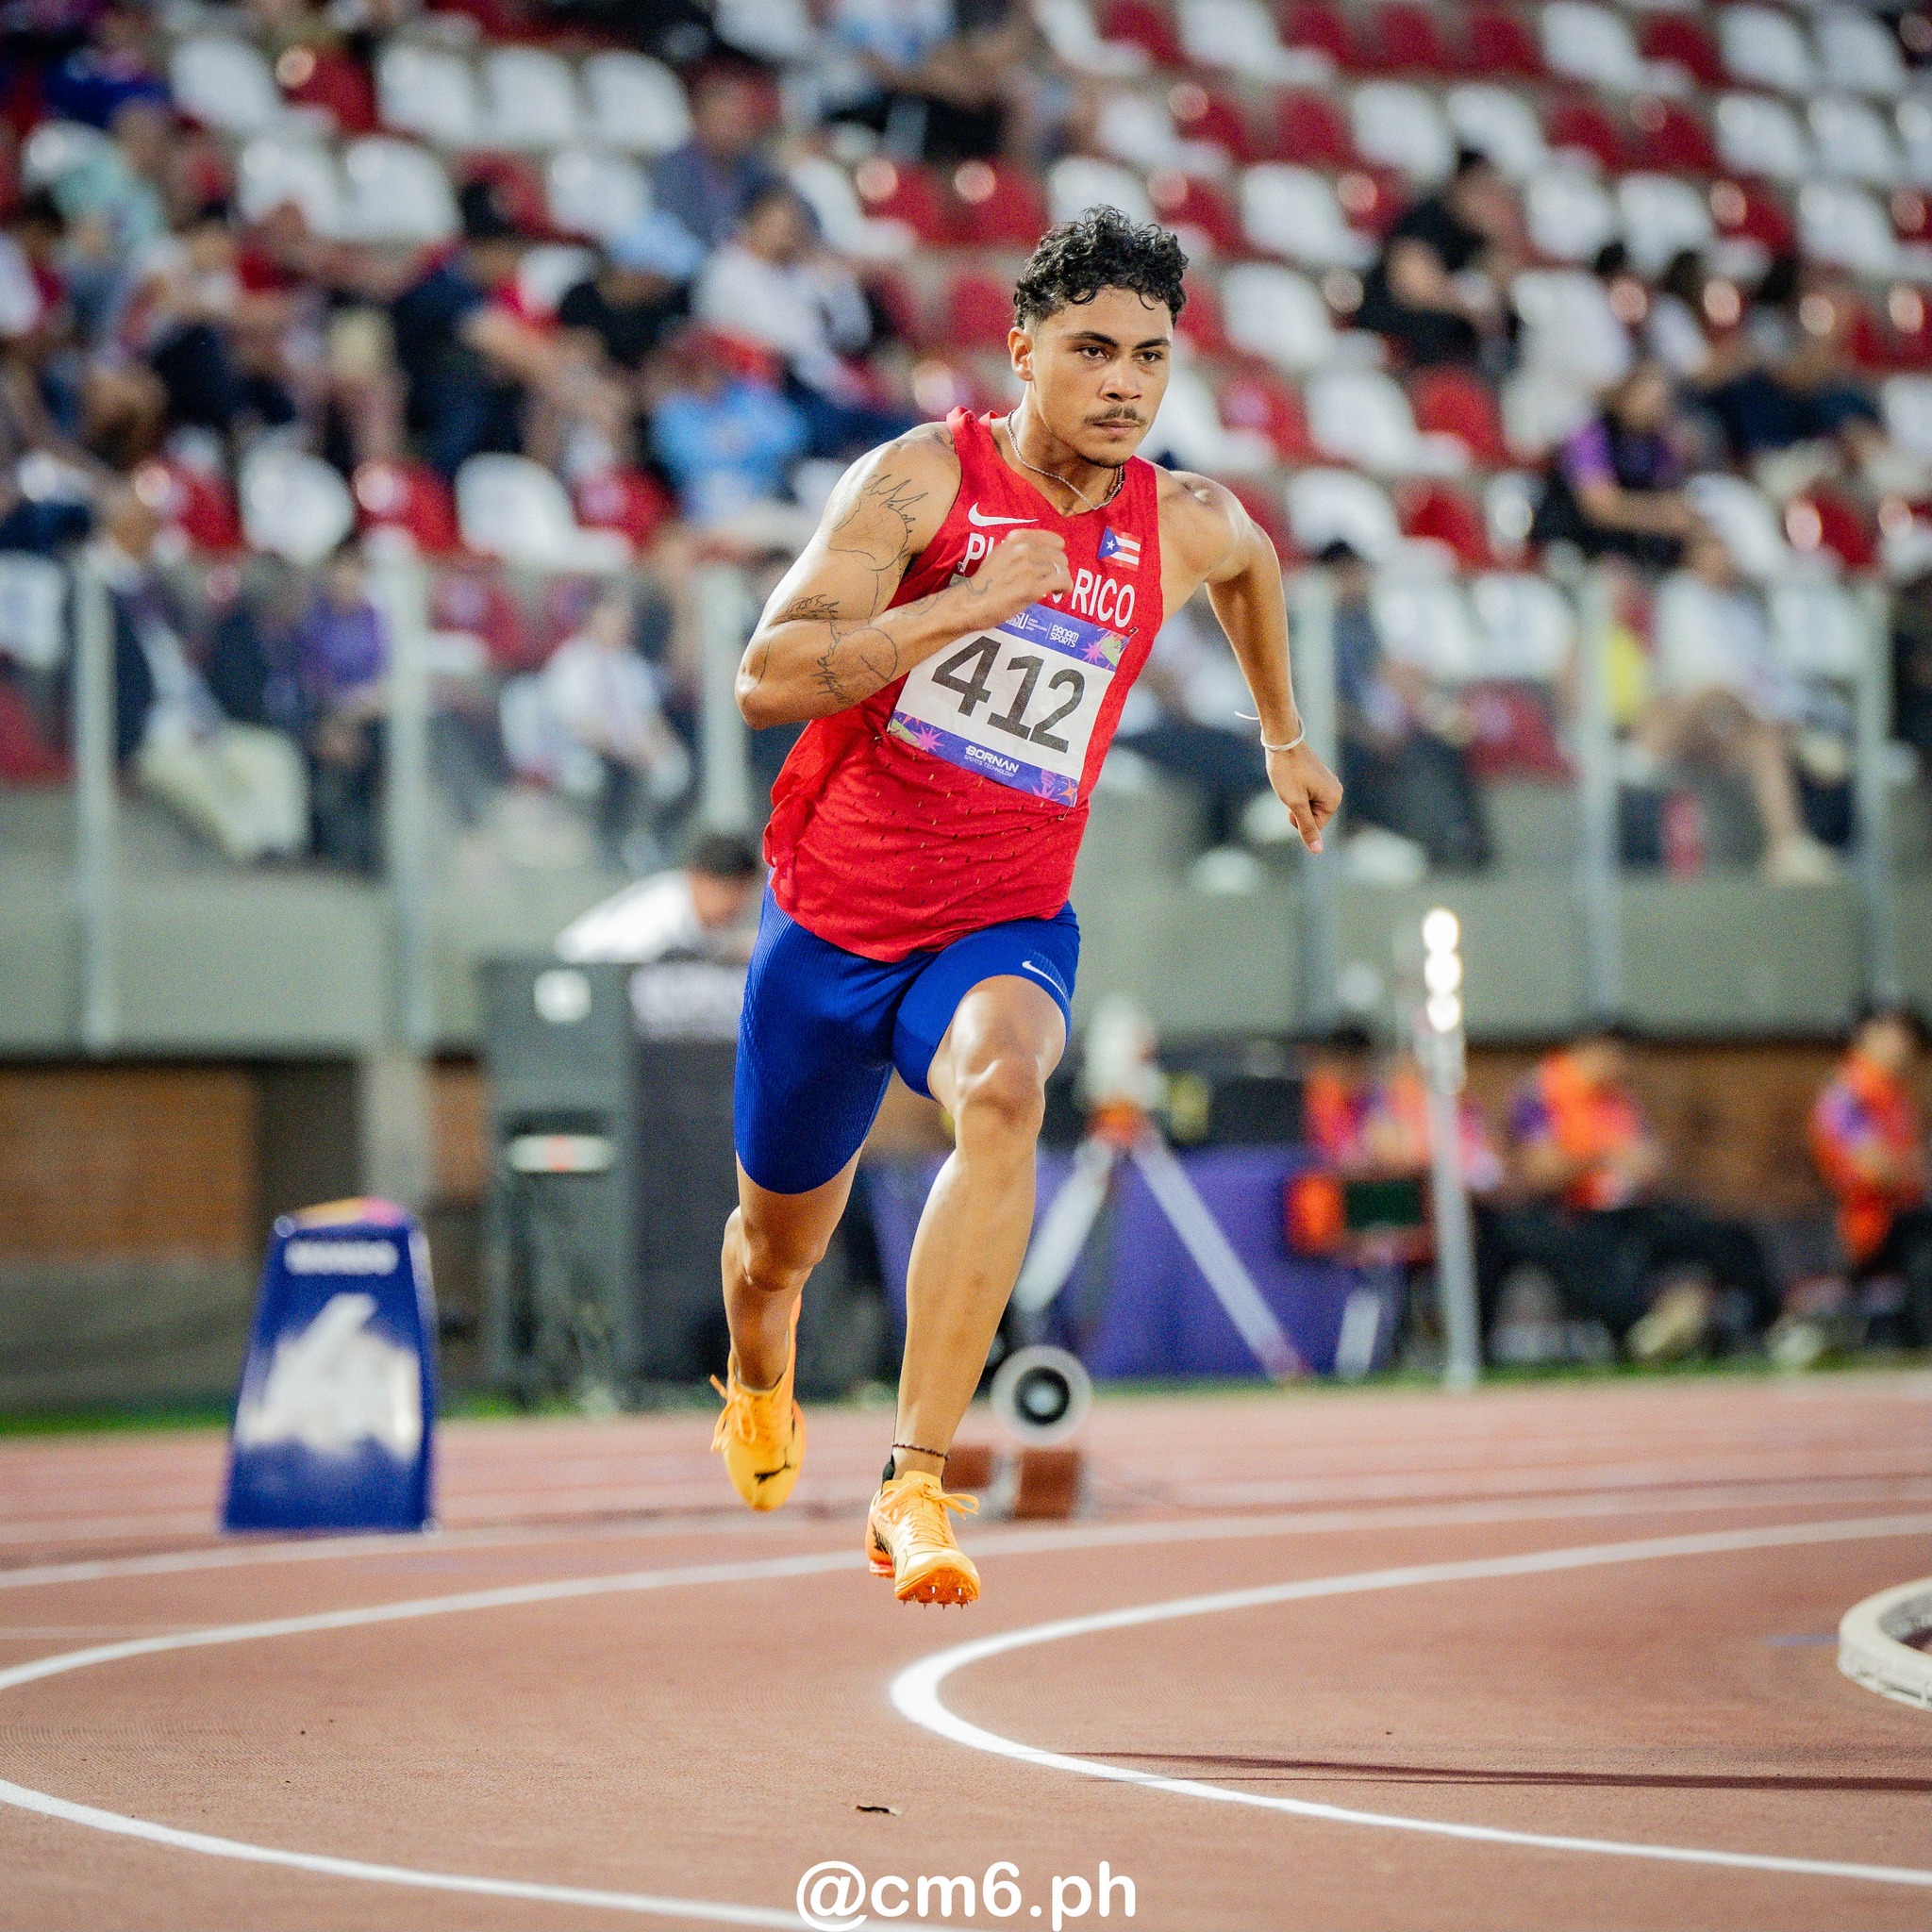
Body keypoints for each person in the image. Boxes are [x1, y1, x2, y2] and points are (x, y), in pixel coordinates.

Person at [708, 207, 1341, 1605]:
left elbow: (1252, 566)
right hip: (831, 930)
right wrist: (964, 606)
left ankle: (913, 1485)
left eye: (1152, 358)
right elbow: (767, 678)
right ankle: (760, 1381)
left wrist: (1280, 733)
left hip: (1001, 919)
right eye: (1093, 350)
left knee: (1004, 1094)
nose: (1125, 382)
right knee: (772, 1256)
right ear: (1023, 352)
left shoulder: (1179, 519)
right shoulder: (920, 484)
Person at [1507, 1026, 1778, 1360]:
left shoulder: (1618, 1098)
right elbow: (1542, 1171)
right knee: (1590, 1258)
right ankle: (1641, 1335)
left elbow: (1649, 1158)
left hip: (1631, 1206)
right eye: (1618, 1059)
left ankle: (1769, 1327)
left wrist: (1647, 1166)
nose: (1623, 1069)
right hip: (1573, 1211)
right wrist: (1605, 1155)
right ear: (1590, 1050)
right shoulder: (1540, 1093)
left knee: (1724, 1233)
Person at [1646, 531, 1841, 884]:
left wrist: (1788, 721)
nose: (1723, 563)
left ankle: (1786, 847)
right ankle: (1800, 746)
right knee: (1718, 691)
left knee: (1765, 742)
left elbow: (1768, 675)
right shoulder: (1678, 594)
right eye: (1713, 553)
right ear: (1695, 559)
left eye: (1726, 553)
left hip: (1728, 725)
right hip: (1678, 722)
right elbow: (1699, 676)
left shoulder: (1743, 608)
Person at [693, 184, 914, 461]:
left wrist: (838, 283)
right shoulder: (728, 270)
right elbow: (780, 340)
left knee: (905, 430)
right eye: (778, 224)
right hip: (763, 390)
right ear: (753, 222)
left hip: (822, 384)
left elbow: (852, 332)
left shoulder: (798, 274)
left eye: (792, 226)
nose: (787, 233)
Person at [1326, 539, 1490, 874]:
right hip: (1343, 737)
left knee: (1445, 747)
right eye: (1349, 573)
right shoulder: (1309, 627)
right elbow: (1314, 701)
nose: (1358, 581)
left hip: (1380, 729)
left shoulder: (1365, 622)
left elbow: (1389, 676)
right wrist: (1370, 733)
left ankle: (1463, 842)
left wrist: (1432, 711)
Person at [540, 589, 691, 867]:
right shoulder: (571, 662)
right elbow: (579, 722)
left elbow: (650, 717)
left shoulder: (632, 664)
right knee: (592, 777)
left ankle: (642, 836)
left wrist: (661, 746)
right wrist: (625, 749)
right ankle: (602, 843)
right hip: (588, 751)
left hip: (633, 750)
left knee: (673, 769)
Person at [1810, 1005, 1932, 1346]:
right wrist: (1908, 1168)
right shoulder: (1847, 1095)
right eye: (1895, 1033)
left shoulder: (1895, 1097)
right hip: (1869, 1223)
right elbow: (1877, 1171)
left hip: (1907, 1215)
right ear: (1867, 1035)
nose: (1906, 1044)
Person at [1356, 149, 1521, 371]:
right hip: (1396, 318)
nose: (1489, 199)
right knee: (1436, 328)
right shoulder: (1426, 220)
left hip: (1451, 317)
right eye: (1481, 189)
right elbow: (1412, 288)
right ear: (1461, 185)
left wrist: (1500, 235)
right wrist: (1468, 306)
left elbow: (1502, 279)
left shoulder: (1477, 234)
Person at [1531, 359, 1702, 570]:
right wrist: (1661, 515)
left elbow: (1670, 487)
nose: (1655, 408)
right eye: (1649, 399)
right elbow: (1600, 507)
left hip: (1621, 550)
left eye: (1662, 402)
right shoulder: (1593, 435)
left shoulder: (1657, 442)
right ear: (1627, 394)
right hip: (1573, 544)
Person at [556, 829, 763, 965]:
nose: (737, 904)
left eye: (745, 894)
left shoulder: (706, 921)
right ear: (699, 879)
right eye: (729, 891)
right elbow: (618, 967)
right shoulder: (660, 913)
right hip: (577, 975)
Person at [649, 66, 783, 252]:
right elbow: (673, 228)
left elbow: (787, 203)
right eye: (722, 120)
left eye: (738, 122)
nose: (730, 130)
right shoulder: (675, 166)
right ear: (698, 118)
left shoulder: (752, 168)